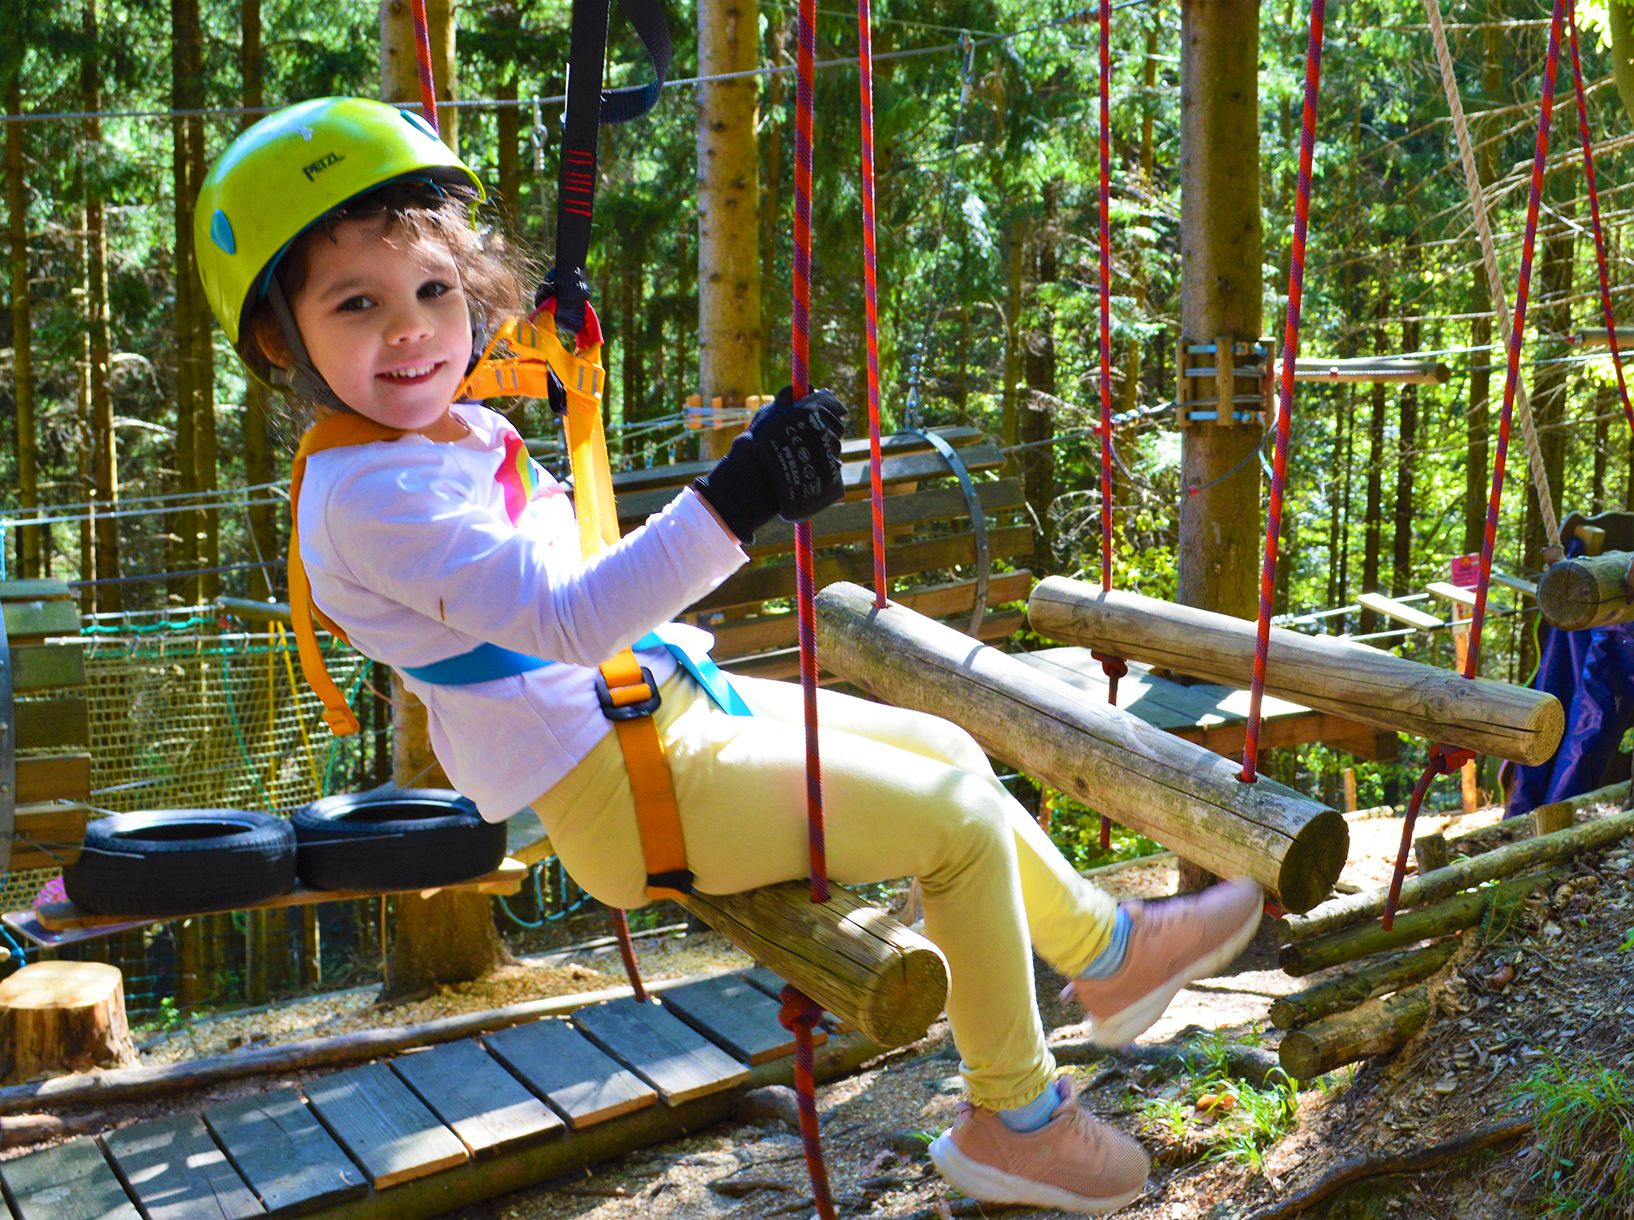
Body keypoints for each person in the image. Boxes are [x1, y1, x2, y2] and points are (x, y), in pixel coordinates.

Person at [195, 96, 1266, 1216]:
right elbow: (569, 617)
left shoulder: (425, 427)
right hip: (617, 782)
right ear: (284, 341)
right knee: (950, 825)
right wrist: (736, 496)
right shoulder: (375, 499)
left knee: (947, 747)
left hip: (657, 712)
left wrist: (539, 338)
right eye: (356, 304)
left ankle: (1106, 953)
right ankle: (1017, 1118)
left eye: (434, 290)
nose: (412, 331)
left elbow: (479, 421)